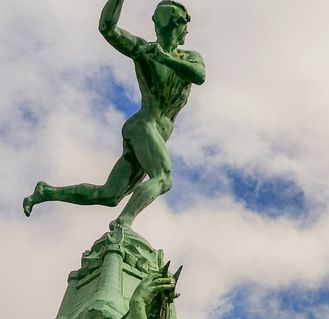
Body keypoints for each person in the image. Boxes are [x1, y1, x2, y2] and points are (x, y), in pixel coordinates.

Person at [23, 0, 205, 230]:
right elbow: (107, 28)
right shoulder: (143, 51)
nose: (186, 31)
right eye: (183, 24)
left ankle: (46, 191)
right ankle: (124, 222)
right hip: (143, 126)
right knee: (163, 177)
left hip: (154, 134)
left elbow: (199, 76)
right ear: (174, 25)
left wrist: (165, 58)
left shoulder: (189, 58)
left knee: (109, 195)